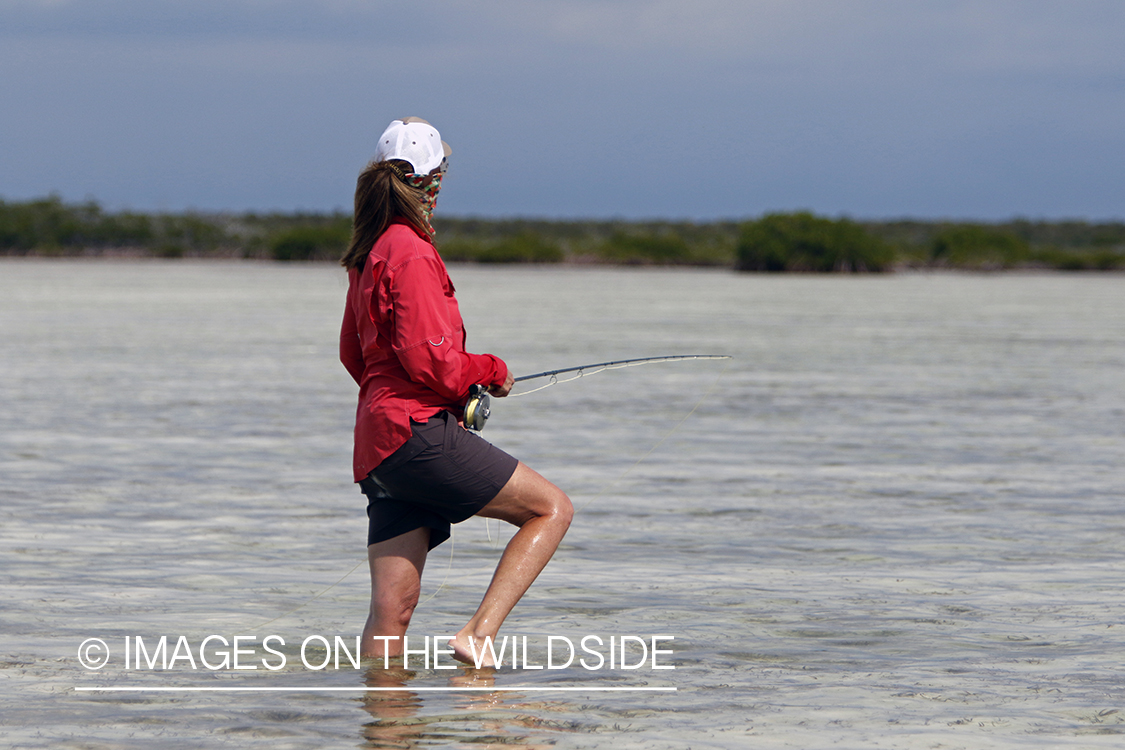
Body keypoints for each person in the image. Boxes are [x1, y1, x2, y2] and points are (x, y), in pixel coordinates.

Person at [339, 117, 572, 666]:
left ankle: (383, 726)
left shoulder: (367, 252)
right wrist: (490, 368)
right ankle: (479, 634)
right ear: (430, 180)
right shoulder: (412, 252)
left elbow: (355, 355)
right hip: (415, 435)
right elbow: (434, 362)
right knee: (551, 510)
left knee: (390, 610)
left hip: (378, 444)